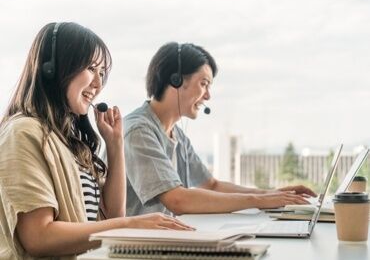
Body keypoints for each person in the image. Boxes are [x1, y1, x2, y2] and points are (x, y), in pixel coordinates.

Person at [0, 23, 192, 260]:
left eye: (102, 73)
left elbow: (113, 216)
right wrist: (130, 225)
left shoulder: (69, 141)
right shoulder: (23, 132)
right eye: (91, 68)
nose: (98, 84)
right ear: (53, 68)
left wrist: (115, 145)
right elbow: (39, 237)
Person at [123, 42, 317, 216]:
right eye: (204, 84)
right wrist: (259, 201)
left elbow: (211, 185)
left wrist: (272, 194)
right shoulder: (139, 131)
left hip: (161, 237)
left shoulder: (177, 135)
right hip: (133, 246)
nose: (208, 95)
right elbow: (177, 200)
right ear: (176, 80)